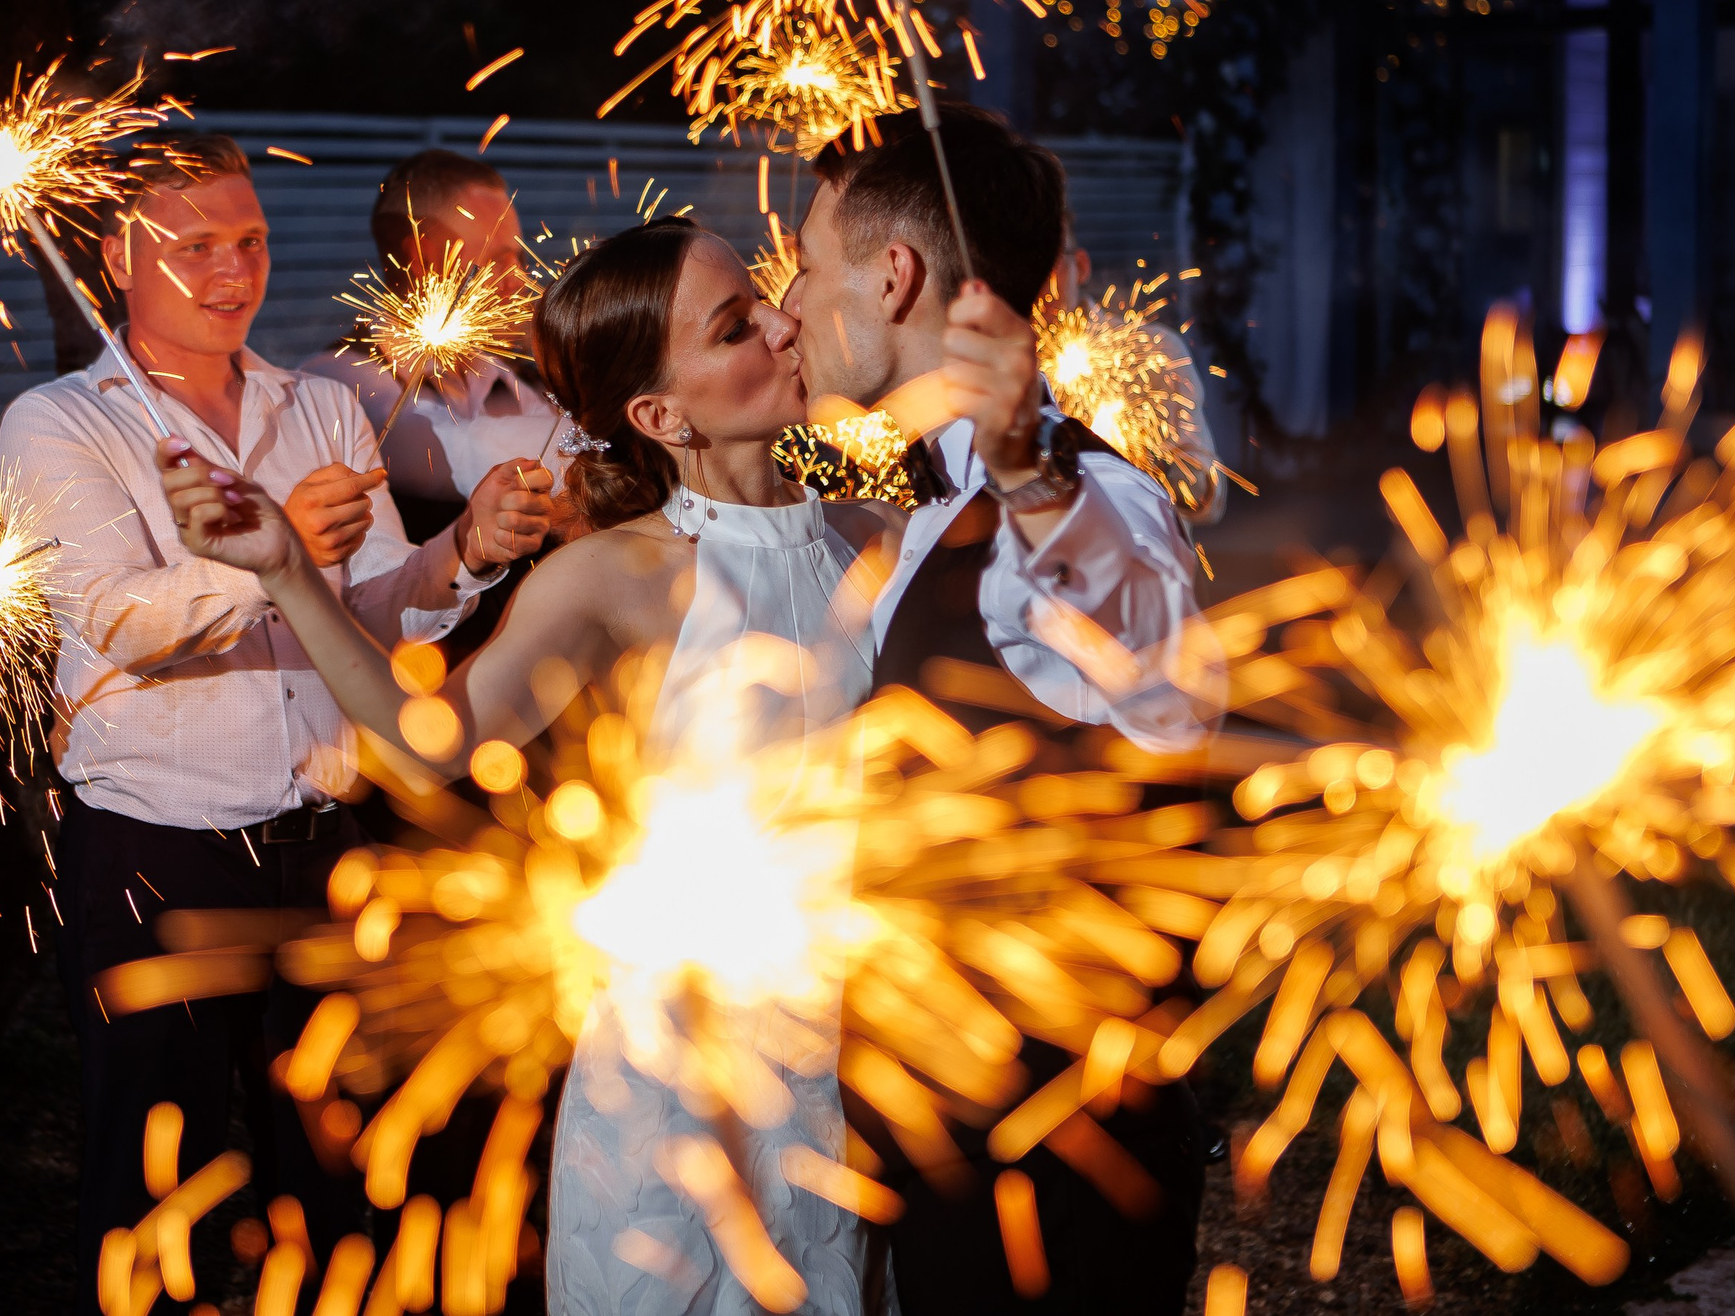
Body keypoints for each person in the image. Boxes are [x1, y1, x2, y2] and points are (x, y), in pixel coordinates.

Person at [157, 213, 1095, 1314]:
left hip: (862, 1028)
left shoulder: (882, 535)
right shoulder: (615, 574)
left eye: (766, 301)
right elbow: (432, 747)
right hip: (688, 1052)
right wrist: (287, 574)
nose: (787, 326)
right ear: (661, 411)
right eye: (738, 324)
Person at [0, 136, 555, 1276]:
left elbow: (378, 610)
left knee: (344, 1178)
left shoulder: (317, 410)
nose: (230, 268)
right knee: (162, 1191)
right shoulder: (60, 420)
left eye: (246, 241)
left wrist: (464, 547)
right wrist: (275, 553)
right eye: (192, 245)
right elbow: (116, 617)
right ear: (116, 257)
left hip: (325, 848)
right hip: (158, 857)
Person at [787, 109, 1213, 1314]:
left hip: (1053, 1134)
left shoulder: (1087, 498)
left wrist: (1031, 472)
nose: (790, 304)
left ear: (893, 276)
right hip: (927, 1102)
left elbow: (1167, 690)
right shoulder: (907, 471)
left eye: (808, 267)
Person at [302, 149, 568, 656]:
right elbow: (452, 455)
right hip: (416, 692)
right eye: (497, 258)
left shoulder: (527, 382)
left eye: (519, 257)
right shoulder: (336, 383)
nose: (519, 281)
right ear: (424, 255)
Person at [1048, 220, 1226, 527]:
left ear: (1080, 265)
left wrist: (1153, 461)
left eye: (1046, 261)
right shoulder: (1000, 369)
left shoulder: (1150, 352)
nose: (1033, 281)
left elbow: (1208, 501)